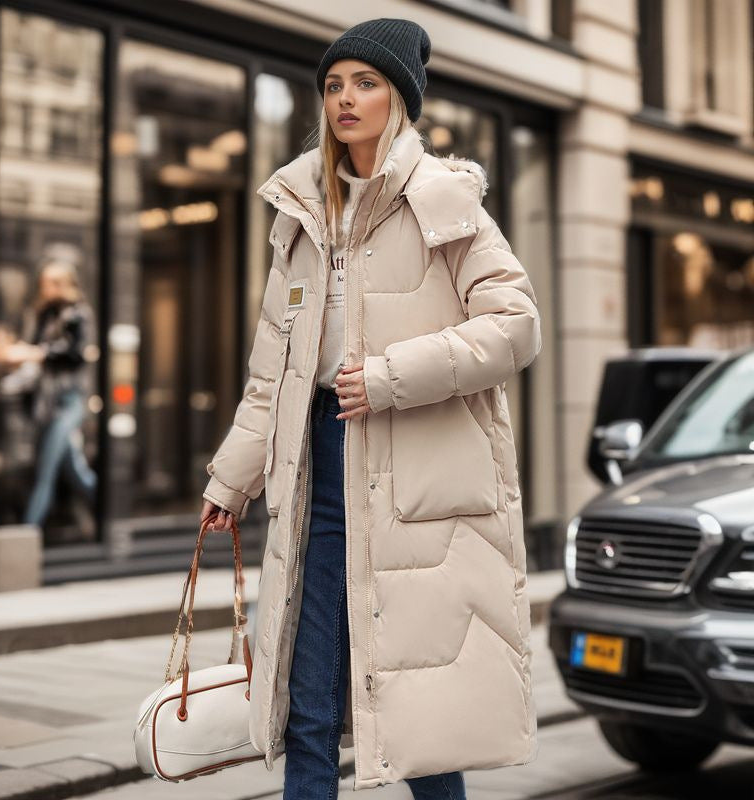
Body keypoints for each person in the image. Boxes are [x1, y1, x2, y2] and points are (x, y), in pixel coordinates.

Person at [201, 17, 542, 798]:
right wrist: (232, 480)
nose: (345, 99)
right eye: (333, 84)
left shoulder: (443, 199)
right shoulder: (298, 214)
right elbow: (272, 375)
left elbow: (516, 327)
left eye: (366, 83)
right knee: (308, 704)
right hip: (316, 469)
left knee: (421, 705)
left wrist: (390, 376)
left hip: (414, 477)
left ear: (400, 99)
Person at [0, 244, 97, 532]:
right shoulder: (41, 314)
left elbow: (73, 353)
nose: (46, 288)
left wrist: (34, 353)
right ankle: (109, 513)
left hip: (68, 402)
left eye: (52, 283)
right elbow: (34, 353)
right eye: (44, 283)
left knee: (45, 471)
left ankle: (27, 533)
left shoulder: (78, 314)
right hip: (45, 403)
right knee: (74, 471)